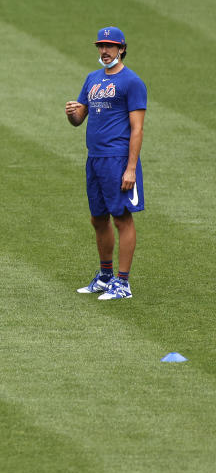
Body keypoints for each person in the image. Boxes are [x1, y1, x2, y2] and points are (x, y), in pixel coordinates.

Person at [65, 26, 147, 300]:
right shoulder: (92, 79)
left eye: (110, 46)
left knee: (122, 217)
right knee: (98, 218)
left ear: (122, 48)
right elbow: (79, 120)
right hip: (95, 159)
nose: (105, 50)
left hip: (118, 159)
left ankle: (123, 284)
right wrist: (72, 114)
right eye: (101, 46)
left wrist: (131, 168)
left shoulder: (132, 82)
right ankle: (105, 276)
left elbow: (137, 129)